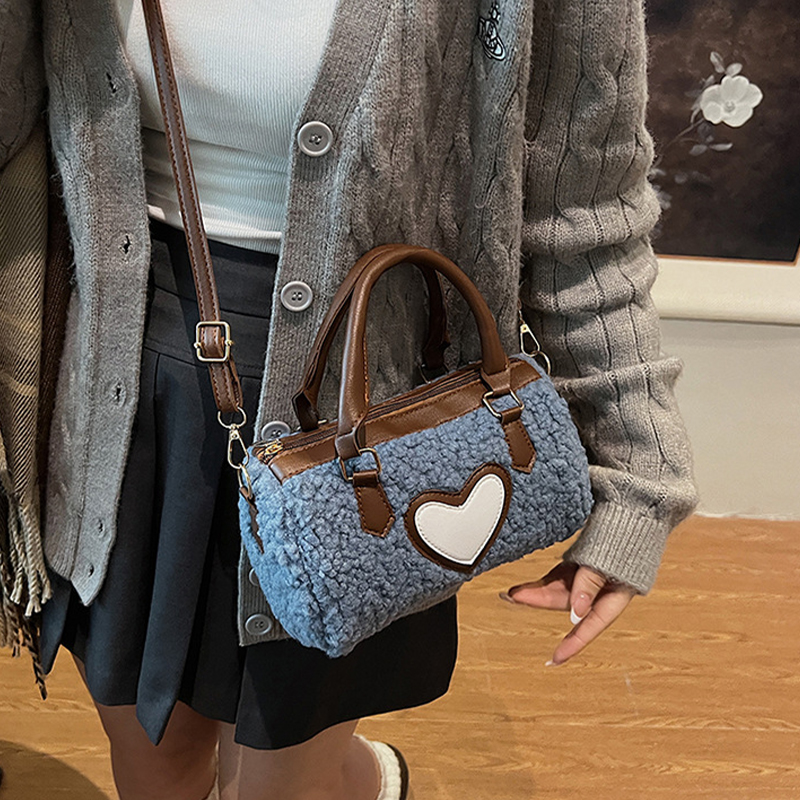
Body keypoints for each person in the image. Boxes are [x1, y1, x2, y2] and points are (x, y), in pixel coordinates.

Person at [0, 0, 698, 798]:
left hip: (363, 426)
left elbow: (584, 211)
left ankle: (357, 778)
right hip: (120, 393)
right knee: (156, 764)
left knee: (279, 781)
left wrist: (639, 474)